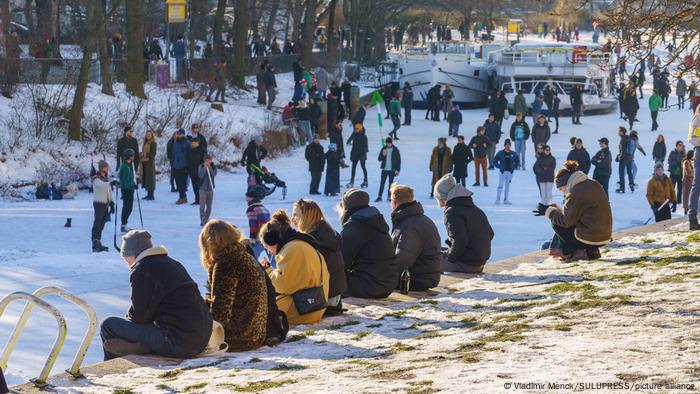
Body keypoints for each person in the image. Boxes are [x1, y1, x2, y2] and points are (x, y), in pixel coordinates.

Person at [100, 230, 212, 360]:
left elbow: (140, 316)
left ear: (133, 253)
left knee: (108, 325)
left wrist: (127, 321)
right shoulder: (171, 263)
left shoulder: (142, 269)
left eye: (126, 258)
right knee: (133, 327)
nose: (127, 264)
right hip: (201, 339)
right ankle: (142, 346)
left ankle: (111, 366)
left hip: (179, 342)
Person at [198, 221, 267, 351]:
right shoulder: (244, 255)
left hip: (239, 337)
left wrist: (199, 305)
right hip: (255, 334)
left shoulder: (226, 263)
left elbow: (220, 315)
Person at [260, 211, 330, 324]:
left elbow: (284, 285)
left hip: (304, 311)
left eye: (266, 246)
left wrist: (267, 271)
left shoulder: (291, 249)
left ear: (272, 239)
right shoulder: (299, 244)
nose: (268, 251)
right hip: (314, 306)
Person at [536, 161, 612, 261]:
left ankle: (576, 252)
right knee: (561, 219)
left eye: (560, 188)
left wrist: (548, 211)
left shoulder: (575, 191)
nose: (562, 192)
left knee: (556, 223)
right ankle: (592, 251)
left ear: (565, 183)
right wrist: (559, 210)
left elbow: (565, 222)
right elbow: (583, 213)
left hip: (591, 237)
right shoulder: (592, 183)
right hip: (604, 235)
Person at [339, 189, 398, 298]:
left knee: (330, 274)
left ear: (347, 207)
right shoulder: (375, 221)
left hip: (369, 286)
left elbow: (340, 262)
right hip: (387, 284)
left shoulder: (355, 226)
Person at [291, 199, 347, 315]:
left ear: (307, 217)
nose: (292, 219)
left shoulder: (313, 240)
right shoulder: (326, 232)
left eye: (296, 215)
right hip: (334, 297)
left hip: (322, 299)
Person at [433, 174, 494, 273]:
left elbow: (460, 242)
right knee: (436, 250)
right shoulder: (473, 208)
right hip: (478, 263)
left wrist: (448, 258)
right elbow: (490, 233)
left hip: (467, 264)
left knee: (427, 259)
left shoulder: (452, 212)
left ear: (442, 197)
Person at [389, 184, 441, 291]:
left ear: (393, 203)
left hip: (418, 278)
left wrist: (383, 276)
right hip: (424, 275)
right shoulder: (415, 219)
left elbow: (403, 260)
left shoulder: (410, 225)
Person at [92, 161, 116, 252]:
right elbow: (102, 186)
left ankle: (99, 241)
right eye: (105, 167)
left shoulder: (106, 179)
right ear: (101, 168)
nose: (107, 169)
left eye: (107, 167)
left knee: (102, 224)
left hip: (105, 204)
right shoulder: (96, 178)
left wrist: (112, 202)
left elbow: (108, 191)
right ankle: (95, 243)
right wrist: (110, 183)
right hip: (98, 204)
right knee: (97, 224)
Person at [494, 139, 519, 205]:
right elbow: (495, 160)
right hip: (502, 172)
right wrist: (498, 166)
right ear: (504, 145)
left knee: (507, 186)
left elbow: (517, 161)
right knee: (500, 185)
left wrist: (514, 167)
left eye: (509, 145)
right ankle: (498, 199)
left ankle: (506, 199)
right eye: (506, 145)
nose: (507, 146)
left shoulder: (513, 153)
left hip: (510, 172)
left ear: (510, 146)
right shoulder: (500, 153)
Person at [188, 124, 208, 205]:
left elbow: (205, 151)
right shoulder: (189, 137)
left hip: (199, 167)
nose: (196, 129)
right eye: (194, 128)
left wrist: (205, 163)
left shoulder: (201, 138)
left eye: (197, 128)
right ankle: (197, 199)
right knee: (194, 185)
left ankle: (202, 199)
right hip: (192, 168)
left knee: (201, 185)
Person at [376, 137, 401, 202]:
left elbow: (399, 161)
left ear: (391, 143)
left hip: (392, 170)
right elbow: (379, 159)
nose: (388, 145)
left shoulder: (395, 150)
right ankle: (379, 196)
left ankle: (389, 196)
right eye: (387, 143)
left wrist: (398, 170)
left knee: (390, 184)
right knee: (382, 183)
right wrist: (383, 155)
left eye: (389, 143)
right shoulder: (384, 149)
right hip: (384, 170)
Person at [171, 129, 191, 204]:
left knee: (183, 183)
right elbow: (173, 154)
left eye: (180, 134)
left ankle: (183, 198)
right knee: (178, 183)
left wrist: (188, 166)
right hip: (176, 165)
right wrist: (172, 163)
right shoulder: (175, 143)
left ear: (184, 134)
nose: (179, 135)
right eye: (178, 134)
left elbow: (190, 155)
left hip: (184, 166)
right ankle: (182, 197)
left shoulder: (187, 143)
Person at [119, 149, 137, 233]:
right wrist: (132, 185)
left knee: (129, 207)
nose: (134, 157)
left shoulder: (129, 165)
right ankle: (123, 225)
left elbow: (130, 177)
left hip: (129, 189)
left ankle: (124, 224)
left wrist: (134, 183)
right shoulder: (124, 167)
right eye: (132, 155)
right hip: (126, 190)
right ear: (130, 156)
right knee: (127, 207)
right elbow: (124, 181)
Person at [688, 106, 700, 230]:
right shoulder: (696, 120)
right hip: (699, 152)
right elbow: (692, 139)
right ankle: (692, 217)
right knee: (697, 185)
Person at [346, 124, 369, 188]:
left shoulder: (364, 137)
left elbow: (366, 147)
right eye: (355, 128)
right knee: (353, 168)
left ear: (361, 129)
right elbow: (349, 140)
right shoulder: (354, 135)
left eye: (357, 128)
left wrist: (363, 155)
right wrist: (348, 141)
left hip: (361, 155)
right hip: (355, 154)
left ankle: (365, 181)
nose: (356, 130)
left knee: (363, 167)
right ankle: (352, 181)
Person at [198, 155, 217, 226]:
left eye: (209, 160)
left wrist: (209, 168)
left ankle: (206, 219)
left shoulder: (214, 167)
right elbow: (200, 175)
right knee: (202, 206)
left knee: (209, 206)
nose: (208, 162)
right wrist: (205, 168)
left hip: (210, 189)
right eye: (206, 160)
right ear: (204, 161)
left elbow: (213, 174)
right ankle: (203, 220)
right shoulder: (200, 166)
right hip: (202, 189)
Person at [616, 127, 635, 193]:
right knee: (629, 171)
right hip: (629, 158)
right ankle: (631, 184)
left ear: (622, 132)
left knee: (621, 173)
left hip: (623, 158)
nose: (618, 132)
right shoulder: (628, 138)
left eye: (619, 131)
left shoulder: (623, 139)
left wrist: (618, 157)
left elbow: (622, 151)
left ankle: (622, 188)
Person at [668, 141, 685, 211]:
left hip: (681, 173)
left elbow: (685, 162)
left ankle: (679, 201)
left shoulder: (684, 154)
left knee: (680, 188)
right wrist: (676, 163)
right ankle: (670, 199)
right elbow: (669, 161)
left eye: (681, 145)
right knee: (671, 187)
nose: (679, 146)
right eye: (678, 145)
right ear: (676, 146)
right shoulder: (672, 152)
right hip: (673, 172)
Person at [140, 130, 156, 200]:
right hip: (144, 162)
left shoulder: (153, 143)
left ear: (152, 135)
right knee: (146, 178)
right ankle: (148, 194)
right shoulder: (145, 142)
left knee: (150, 179)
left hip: (150, 162)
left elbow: (153, 154)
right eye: (147, 134)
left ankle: (151, 195)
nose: (148, 136)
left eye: (149, 134)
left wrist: (145, 154)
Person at [683, 150, 695, 214]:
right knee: (687, 195)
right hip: (687, 181)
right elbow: (688, 172)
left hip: (691, 181)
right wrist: (695, 173)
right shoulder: (686, 162)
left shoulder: (691, 161)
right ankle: (686, 208)